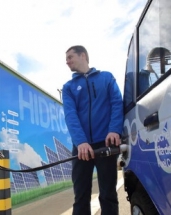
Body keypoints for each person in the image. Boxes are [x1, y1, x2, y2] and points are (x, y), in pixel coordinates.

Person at [62, 45, 123, 215]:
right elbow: (70, 115)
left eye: (69, 57)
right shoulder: (68, 87)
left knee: (108, 195)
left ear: (83, 55)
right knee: (81, 197)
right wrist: (81, 141)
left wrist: (114, 130)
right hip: (81, 148)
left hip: (106, 144)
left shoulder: (106, 78)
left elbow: (117, 103)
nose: (66, 62)